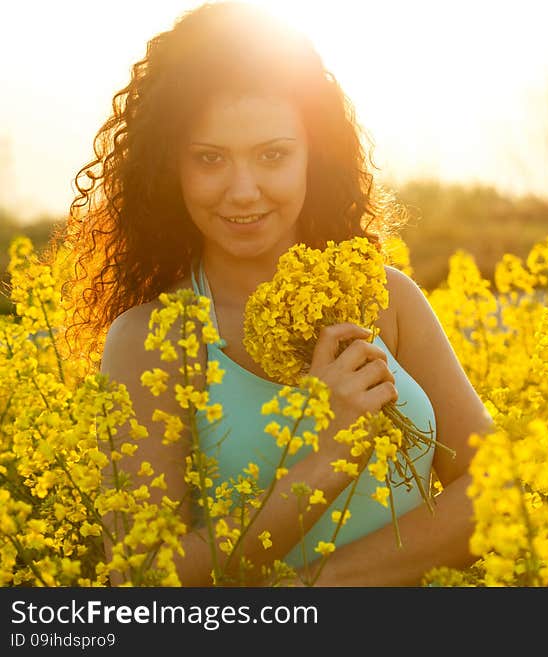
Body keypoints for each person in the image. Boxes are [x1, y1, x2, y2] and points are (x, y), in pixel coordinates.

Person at [60, 1, 493, 586]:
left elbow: (502, 487)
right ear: (171, 169)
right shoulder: (153, 339)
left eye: (273, 155)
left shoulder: (387, 298)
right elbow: (141, 580)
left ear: (314, 155)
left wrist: (316, 586)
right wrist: (326, 459)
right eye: (210, 158)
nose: (243, 190)